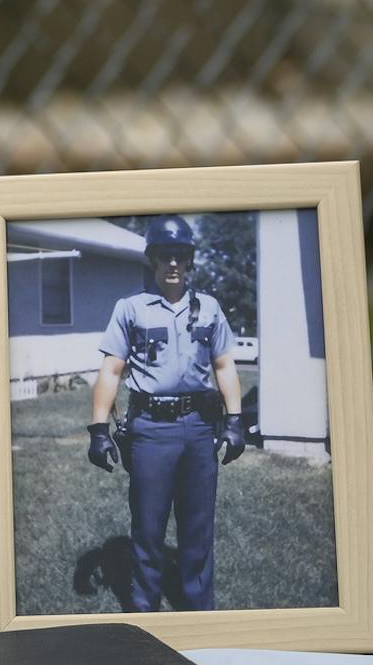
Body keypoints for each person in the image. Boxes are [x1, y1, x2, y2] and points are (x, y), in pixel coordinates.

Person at [84, 217, 246, 613]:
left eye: (179, 256)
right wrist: (99, 430)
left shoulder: (208, 308)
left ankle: (198, 607)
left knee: (197, 527)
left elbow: (224, 365)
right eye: (164, 256)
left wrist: (235, 421)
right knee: (149, 527)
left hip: (197, 429)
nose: (172, 264)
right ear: (152, 261)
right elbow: (112, 370)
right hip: (150, 431)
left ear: (189, 260)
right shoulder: (131, 309)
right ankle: (143, 610)